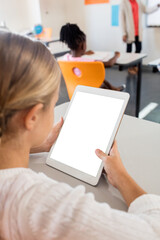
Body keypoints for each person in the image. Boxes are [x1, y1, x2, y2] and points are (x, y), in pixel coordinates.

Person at [0, 31, 160, 240]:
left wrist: (40, 145)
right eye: (53, 103)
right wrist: (121, 177)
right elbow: (153, 232)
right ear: (32, 117)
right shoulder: (36, 203)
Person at [60, 23, 125, 91]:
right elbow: (109, 63)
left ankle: (114, 88)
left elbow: (75, 57)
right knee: (99, 79)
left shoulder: (65, 58)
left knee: (98, 78)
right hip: (91, 90)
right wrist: (116, 55)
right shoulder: (89, 62)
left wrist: (84, 53)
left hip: (75, 89)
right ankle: (113, 91)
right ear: (82, 45)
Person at [120, 0, 160, 74]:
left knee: (139, 49)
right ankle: (130, 67)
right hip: (129, 31)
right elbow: (122, 19)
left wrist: (156, 6)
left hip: (138, 31)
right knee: (129, 51)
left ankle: (134, 66)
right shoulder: (124, 3)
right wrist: (124, 33)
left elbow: (147, 10)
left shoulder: (138, 2)